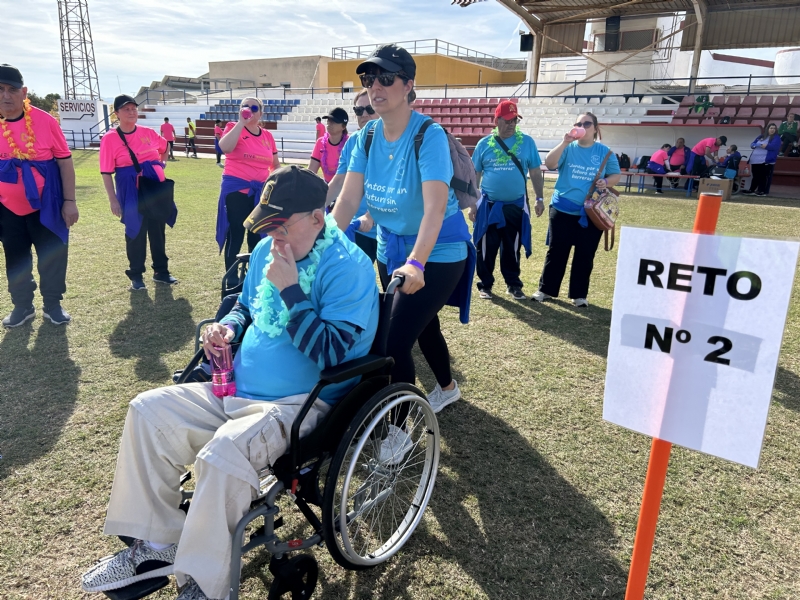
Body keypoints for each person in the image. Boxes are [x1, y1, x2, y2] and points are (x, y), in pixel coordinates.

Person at [80, 165, 379, 600]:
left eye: (281, 226)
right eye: (267, 225)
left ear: (318, 218)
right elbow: (246, 304)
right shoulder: (268, 250)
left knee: (223, 452)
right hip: (236, 387)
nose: (272, 236)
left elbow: (332, 353)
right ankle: (159, 547)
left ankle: (206, 586)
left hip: (299, 405)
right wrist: (227, 327)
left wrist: (292, 291)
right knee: (147, 411)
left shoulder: (349, 267)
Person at [332, 43, 476, 431]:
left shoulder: (428, 135)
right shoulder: (366, 136)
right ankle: (447, 387)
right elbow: (347, 200)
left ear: (409, 84)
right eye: (369, 79)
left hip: (437, 250)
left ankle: (397, 431)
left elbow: (434, 208)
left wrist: (416, 263)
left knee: (392, 340)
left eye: (386, 78)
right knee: (421, 324)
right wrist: (320, 244)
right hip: (391, 247)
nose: (375, 86)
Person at [0, 64, 78, 327]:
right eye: (0, 89)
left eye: (12, 90)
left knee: (52, 256)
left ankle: (53, 305)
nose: (5, 95)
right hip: (7, 208)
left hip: (48, 203)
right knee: (16, 258)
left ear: (24, 92)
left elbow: (65, 162)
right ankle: (22, 306)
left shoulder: (45, 121)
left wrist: (70, 202)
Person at [532, 112, 621, 308]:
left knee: (585, 254)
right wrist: (565, 142)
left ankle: (579, 295)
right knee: (556, 251)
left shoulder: (605, 152)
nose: (582, 127)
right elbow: (550, 163)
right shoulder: (568, 147)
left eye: (587, 124)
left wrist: (606, 182)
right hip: (562, 208)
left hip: (591, 212)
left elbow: (616, 174)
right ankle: (546, 289)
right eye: (578, 123)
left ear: (595, 129)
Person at [100, 94, 177, 290]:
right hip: (130, 188)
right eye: (126, 109)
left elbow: (165, 146)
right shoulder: (109, 138)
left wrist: (162, 164)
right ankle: (136, 275)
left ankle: (161, 271)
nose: (131, 112)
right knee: (135, 230)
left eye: (133, 108)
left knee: (157, 230)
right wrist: (113, 200)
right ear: (116, 113)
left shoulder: (148, 132)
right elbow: (106, 172)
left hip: (153, 186)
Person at [471, 99, 544, 300]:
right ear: (497, 120)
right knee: (486, 247)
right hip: (489, 205)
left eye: (515, 120)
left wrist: (539, 198)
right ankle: (485, 285)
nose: (512, 124)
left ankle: (513, 285)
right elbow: (475, 174)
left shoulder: (527, 142)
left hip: (515, 205)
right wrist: (473, 204)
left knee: (512, 247)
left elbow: (535, 172)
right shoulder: (484, 144)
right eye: (508, 120)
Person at [216, 97, 280, 283]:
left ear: (261, 113)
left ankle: (254, 277)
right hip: (237, 191)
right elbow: (225, 148)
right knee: (235, 234)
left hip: (260, 193)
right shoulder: (233, 127)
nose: (249, 110)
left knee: (257, 236)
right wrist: (241, 123)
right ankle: (232, 279)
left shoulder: (267, 136)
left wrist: (277, 181)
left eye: (254, 107)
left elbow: (275, 165)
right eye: (245, 106)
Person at [326, 89, 379, 263]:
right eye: (358, 110)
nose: (364, 114)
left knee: (393, 281)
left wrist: (372, 215)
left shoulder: (397, 141)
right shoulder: (353, 141)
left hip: (390, 230)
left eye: (370, 109)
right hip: (359, 227)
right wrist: (315, 206)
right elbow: (338, 181)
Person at [308, 108, 348, 183]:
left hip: (345, 186)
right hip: (326, 186)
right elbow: (311, 171)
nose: (329, 123)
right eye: (329, 120)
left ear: (343, 126)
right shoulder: (320, 142)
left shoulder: (349, 143)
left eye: (334, 121)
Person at [742, 123, 781, 196]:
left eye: (774, 128)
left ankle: (762, 190)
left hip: (766, 160)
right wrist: (756, 145)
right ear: (767, 129)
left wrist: (762, 145)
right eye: (771, 128)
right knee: (755, 175)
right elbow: (753, 144)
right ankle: (752, 189)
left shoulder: (776, 138)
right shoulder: (761, 136)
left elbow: (773, 146)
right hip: (755, 160)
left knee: (763, 176)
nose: (772, 130)